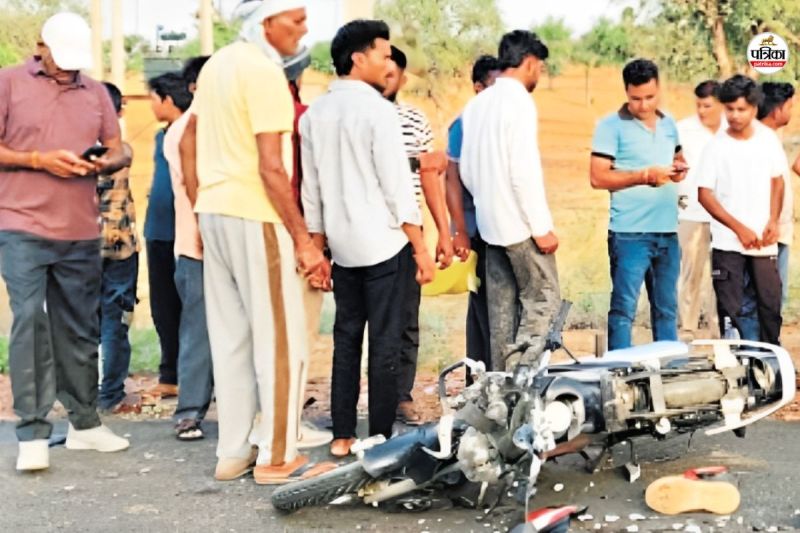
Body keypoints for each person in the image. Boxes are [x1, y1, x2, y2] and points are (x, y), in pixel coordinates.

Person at [181, 1, 334, 484]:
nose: (303, 29)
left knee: (231, 339)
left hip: (216, 211)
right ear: (265, 24)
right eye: (296, 20)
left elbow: (188, 141)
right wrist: (302, 240)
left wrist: (203, 209)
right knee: (282, 342)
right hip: (257, 214)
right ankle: (278, 457)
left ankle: (233, 452)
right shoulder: (264, 73)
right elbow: (272, 167)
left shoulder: (218, 65)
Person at [0, 12, 130, 471]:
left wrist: (104, 162)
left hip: (80, 229)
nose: (69, 69)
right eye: (63, 60)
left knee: (79, 329)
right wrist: (38, 159)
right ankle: (33, 433)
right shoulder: (8, 83)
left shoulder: (94, 91)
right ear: (41, 45)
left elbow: (120, 147)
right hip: (21, 226)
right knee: (30, 323)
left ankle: (85, 424)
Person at [300, 19, 435, 457]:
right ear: (358, 59)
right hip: (383, 244)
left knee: (345, 338)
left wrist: (318, 247)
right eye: (381, 52)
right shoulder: (379, 111)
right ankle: (377, 437)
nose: (387, 61)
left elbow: (312, 190)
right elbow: (398, 190)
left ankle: (342, 435)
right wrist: (419, 248)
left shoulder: (316, 113)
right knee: (385, 342)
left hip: (341, 247)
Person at [460, 31, 560, 371]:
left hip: (489, 226)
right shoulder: (518, 102)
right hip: (520, 227)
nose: (538, 76)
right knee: (543, 301)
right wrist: (541, 228)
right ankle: (525, 382)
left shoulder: (476, 105)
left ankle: (499, 394)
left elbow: (468, 172)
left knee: (501, 316)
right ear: (529, 63)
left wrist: (488, 205)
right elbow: (522, 172)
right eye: (539, 68)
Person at [590, 59, 688, 350]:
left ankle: (667, 374)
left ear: (659, 89)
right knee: (623, 311)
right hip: (629, 234)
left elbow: (677, 157)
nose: (643, 105)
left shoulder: (669, 123)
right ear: (626, 92)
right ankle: (619, 377)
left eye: (650, 97)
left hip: (667, 232)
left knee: (667, 311)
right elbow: (597, 178)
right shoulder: (609, 126)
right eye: (636, 98)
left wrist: (679, 168)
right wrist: (644, 176)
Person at [382, 44, 453, 425]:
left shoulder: (414, 119)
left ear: (402, 78)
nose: (384, 80)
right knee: (363, 322)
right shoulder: (358, 116)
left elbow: (431, 179)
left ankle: (401, 396)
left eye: (392, 74)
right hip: (365, 231)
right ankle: (372, 396)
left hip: (410, 232)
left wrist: (444, 231)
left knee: (407, 317)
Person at [697, 75, 784, 344]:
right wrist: (739, 229)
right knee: (732, 313)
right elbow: (704, 195)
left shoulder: (768, 140)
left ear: (754, 108)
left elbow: (777, 180)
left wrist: (773, 219)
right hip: (728, 246)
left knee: (769, 308)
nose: (734, 116)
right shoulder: (716, 146)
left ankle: (770, 370)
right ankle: (739, 373)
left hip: (763, 244)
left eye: (741, 109)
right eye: (730, 109)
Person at [282, 44, 334, 449]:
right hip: (301, 237)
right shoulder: (304, 120)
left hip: (263, 234)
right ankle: (289, 423)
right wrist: (317, 248)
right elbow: (314, 189)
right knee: (299, 332)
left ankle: (265, 418)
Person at [162, 56, 214, 441]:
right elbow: (196, 188)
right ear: (195, 86)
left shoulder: (223, 125)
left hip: (222, 245)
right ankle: (190, 411)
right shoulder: (183, 130)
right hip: (196, 245)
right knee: (198, 330)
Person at [444, 55, 501, 373]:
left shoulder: (499, 121)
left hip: (497, 227)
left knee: (488, 307)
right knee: (484, 308)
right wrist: (460, 230)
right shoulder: (464, 123)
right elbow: (450, 179)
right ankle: (483, 380)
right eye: (492, 86)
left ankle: (483, 378)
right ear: (478, 88)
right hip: (477, 231)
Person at [143, 72, 191, 399]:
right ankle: (170, 374)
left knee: (190, 305)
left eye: (153, 98)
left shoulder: (191, 131)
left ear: (167, 99)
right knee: (163, 307)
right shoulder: (163, 135)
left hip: (185, 232)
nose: (150, 104)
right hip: (158, 232)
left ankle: (196, 375)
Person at [736, 81, 795, 340]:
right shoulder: (755, 140)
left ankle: (769, 353)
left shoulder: (770, 138)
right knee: (757, 297)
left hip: (777, 230)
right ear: (777, 109)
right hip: (762, 232)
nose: (793, 111)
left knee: (772, 297)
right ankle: (756, 356)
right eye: (791, 105)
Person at [97, 81, 140, 413]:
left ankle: (82, 394)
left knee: (83, 321)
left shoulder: (73, 151)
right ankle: (110, 394)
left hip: (82, 246)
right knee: (116, 320)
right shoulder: (121, 150)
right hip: (120, 246)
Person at [676, 80, 725, 339]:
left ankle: (720, 331)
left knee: (722, 276)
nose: (702, 111)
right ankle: (688, 329)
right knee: (691, 274)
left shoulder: (731, 129)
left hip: (725, 215)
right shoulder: (682, 130)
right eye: (698, 105)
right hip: (691, 212)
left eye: (707, 106)